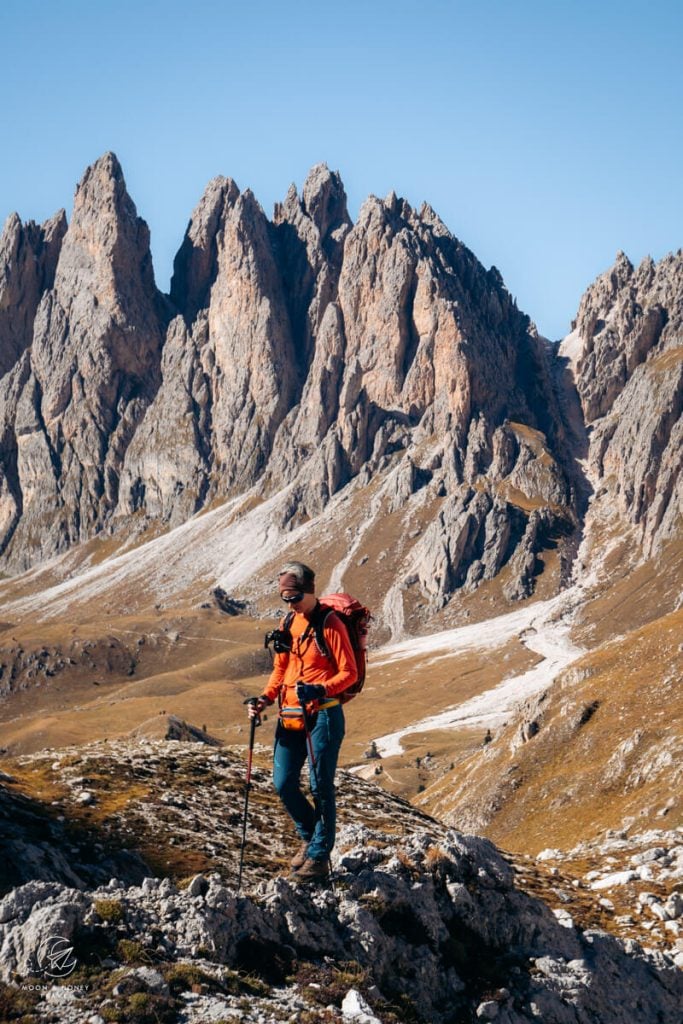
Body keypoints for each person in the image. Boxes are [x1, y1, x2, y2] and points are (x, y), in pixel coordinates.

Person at [248, 561, 357, 880]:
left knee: (319, 786)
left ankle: (320, 857)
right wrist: (265, 699)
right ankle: (311, 840)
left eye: (295, 598)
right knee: (282, 783)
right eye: (285, 598)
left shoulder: (330, 623)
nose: (290, 604)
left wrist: (320, 688)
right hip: (290, 715)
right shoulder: (288, 622)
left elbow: (348, 673)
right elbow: (280, 671)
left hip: (323, 714)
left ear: (309, 591)